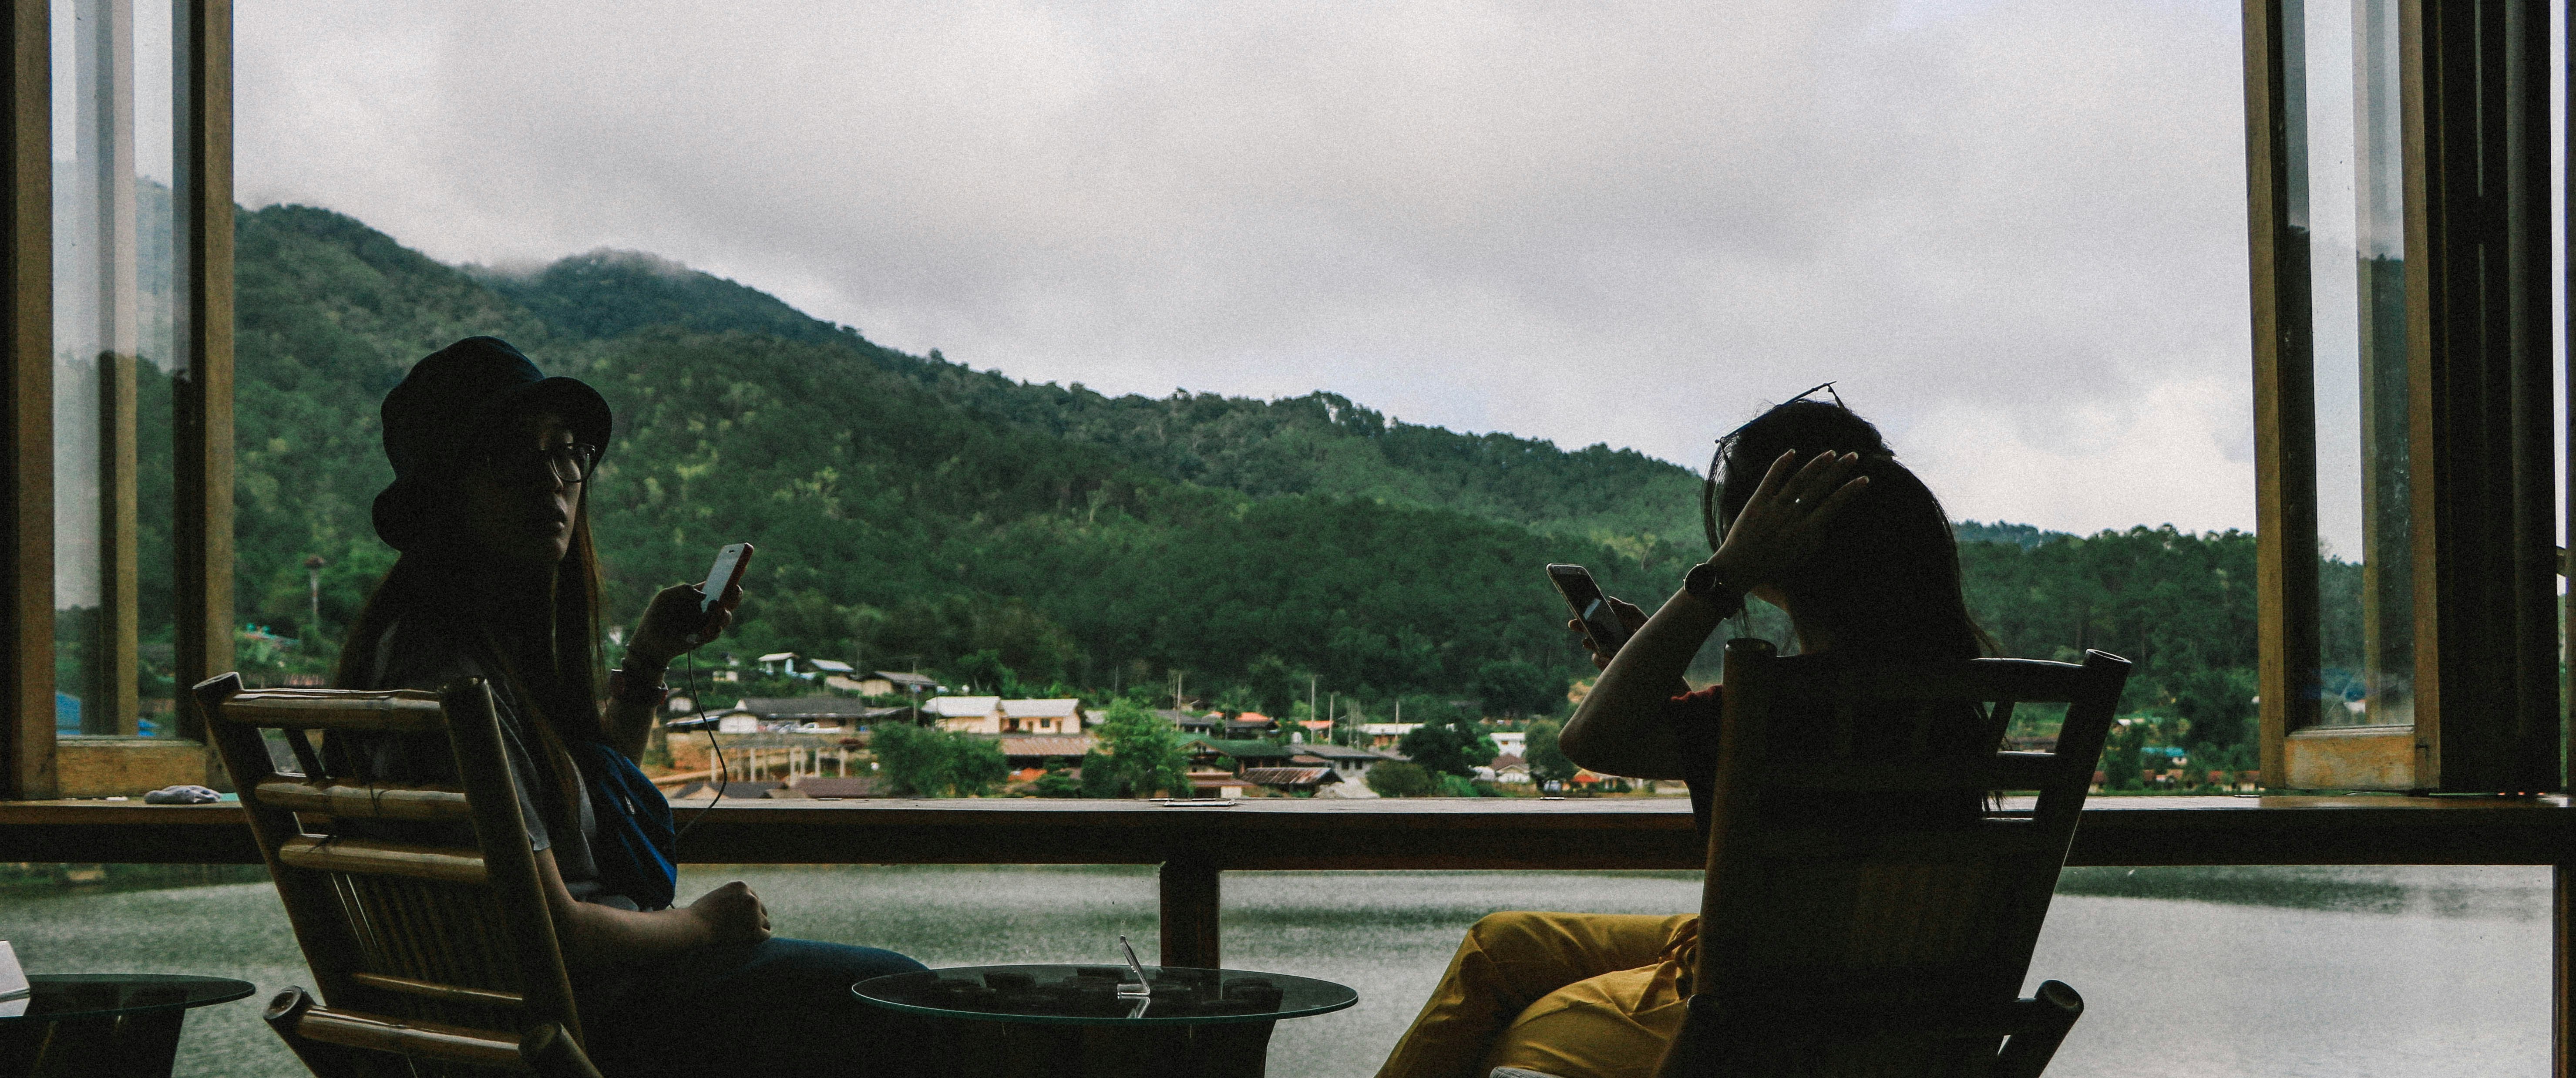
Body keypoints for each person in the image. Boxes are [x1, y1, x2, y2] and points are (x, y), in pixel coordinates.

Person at [326, 337, 926, 1078]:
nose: (553, 478)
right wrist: (701, 925)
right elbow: (559, 930)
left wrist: (644, 664)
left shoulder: (437, 653)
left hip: (536, 1017)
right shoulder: (453, 681)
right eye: (513, 453)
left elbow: (580, 809)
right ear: (446, 490)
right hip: (593, 1023)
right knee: (910, 1000)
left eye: (566, 450)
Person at [1374, 394, 1997, 1078]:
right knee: (1500, 946)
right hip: (1898, 1001)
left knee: (1519, 1034)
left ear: (1777, 539)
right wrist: (1643, 668)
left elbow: (1591, 742)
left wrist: (1722, 575)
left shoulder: (1780, 703)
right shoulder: (1949, 694)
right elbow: (1681, 736)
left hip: (1760, 1011)